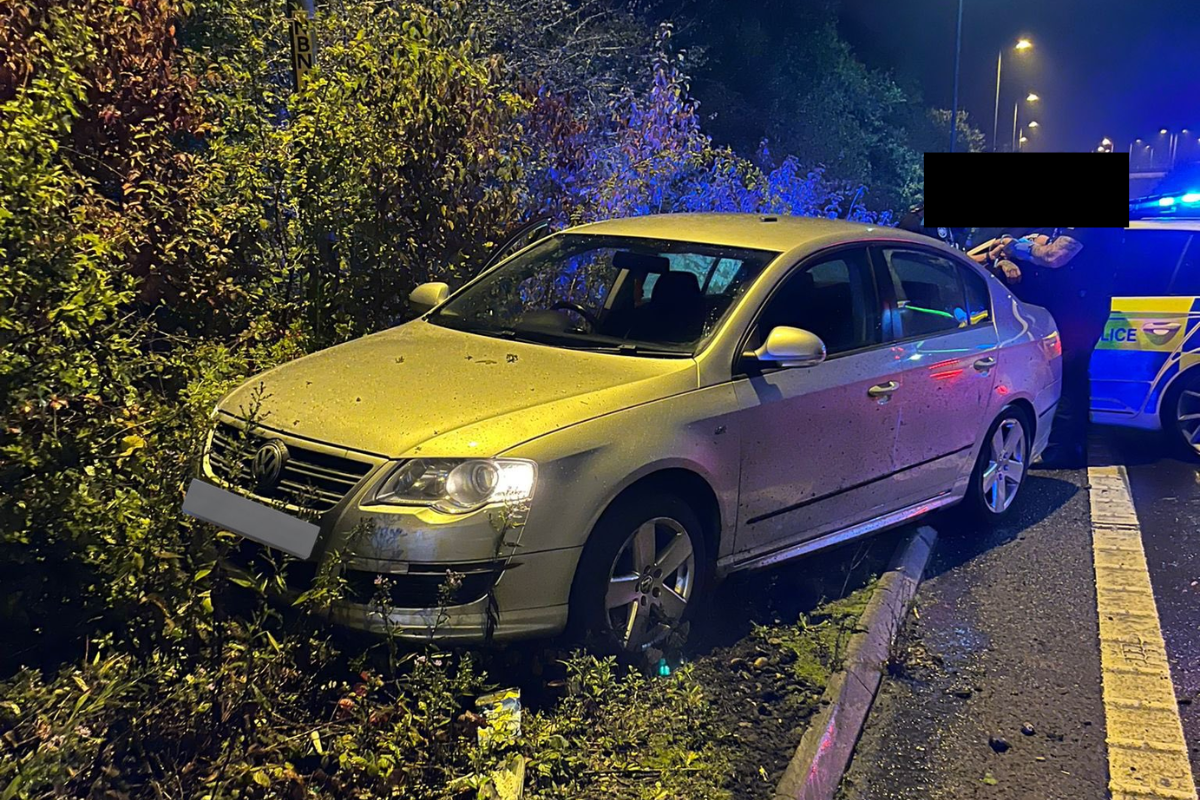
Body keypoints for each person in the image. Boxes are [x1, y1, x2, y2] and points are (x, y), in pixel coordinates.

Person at [993, 228, 1122, 468]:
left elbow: (1054, 256)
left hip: (1080, 312)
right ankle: (1067, 446)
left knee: (1068, 379)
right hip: (1071, 310)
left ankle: (1063, 452)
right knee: (1067, 379)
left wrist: (1016, 247)